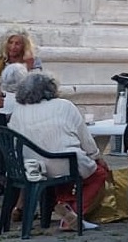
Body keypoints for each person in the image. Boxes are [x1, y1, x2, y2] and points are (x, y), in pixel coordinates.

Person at [8, 72, 108, 231]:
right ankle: (73, 214)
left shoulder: (18, 111)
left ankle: (65, 205)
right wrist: (96, 157)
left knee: (64, 165)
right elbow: (85, 139)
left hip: (32, 167)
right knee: (98, 173)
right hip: (64, 162)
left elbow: (13, 141)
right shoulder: (64, 105)